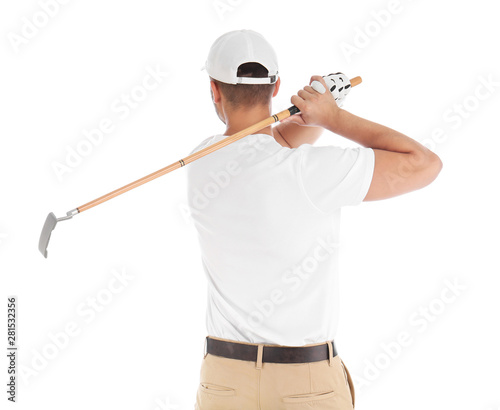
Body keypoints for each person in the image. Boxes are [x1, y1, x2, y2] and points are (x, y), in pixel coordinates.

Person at [186, 29, 442, 410]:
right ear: (276, 89)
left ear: (215, 89)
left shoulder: (201, 161)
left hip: (225, 382)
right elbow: (424, 164)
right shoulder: (308, 173)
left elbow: (270, 146)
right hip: (303, 386)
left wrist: (316, 115)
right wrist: (333, 116)